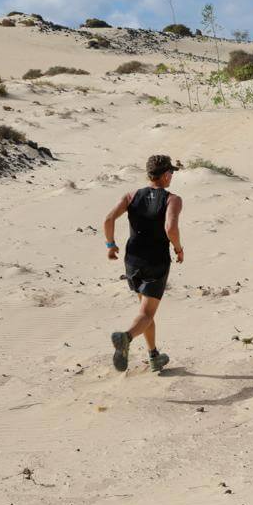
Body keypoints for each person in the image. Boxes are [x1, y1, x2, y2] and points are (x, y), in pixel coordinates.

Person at [104, 155, 184, 373]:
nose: (172, 177)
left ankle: (153, 356)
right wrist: (178, 249)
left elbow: (108, 219)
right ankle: (126, 337)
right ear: (166, 175)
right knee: (147, 313)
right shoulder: (172, 199)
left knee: (145, 310)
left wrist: (110, 245)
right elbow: (170, 228)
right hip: (156, 261)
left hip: (132, 260)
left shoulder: (131, 196)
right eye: (172, 173)